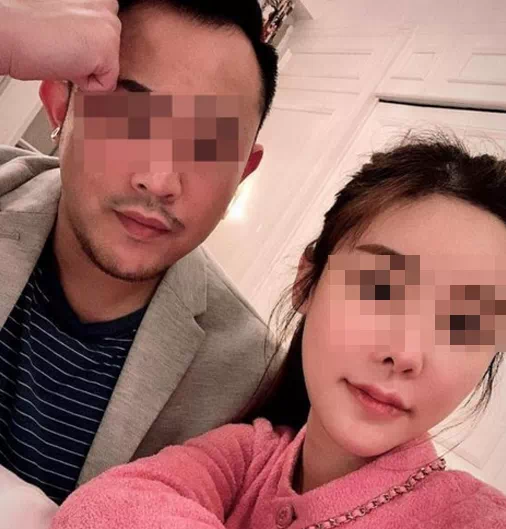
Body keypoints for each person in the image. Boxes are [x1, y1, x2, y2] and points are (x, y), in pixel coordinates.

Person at [49, 134, 506, 529]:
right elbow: (104, 504)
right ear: (307, 281)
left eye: (465, 322)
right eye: (381, 289)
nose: (405, 353)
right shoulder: (253, 453)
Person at [0, 0, 279, 513]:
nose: (160, 179)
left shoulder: (251, 383)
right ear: (59, 104)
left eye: (210, 144)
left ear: (243, 173)